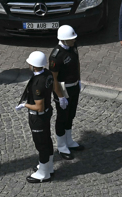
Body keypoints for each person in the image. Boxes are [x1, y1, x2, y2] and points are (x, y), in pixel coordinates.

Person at [50, 25, 85, 159]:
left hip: (74, 85)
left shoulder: (73, 47)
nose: (74, 40)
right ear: (64, 40)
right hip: (63, 88)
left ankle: (69, 140)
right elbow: (54, 79)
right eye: (71, 39)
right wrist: (60, 96)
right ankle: (61, 145)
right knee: (62, 117)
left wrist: (79, 80)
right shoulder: (56, 56)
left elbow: (77, 64)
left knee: (71, 114)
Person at [20, 50, 54, 183]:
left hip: (38, 117)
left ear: (34, 66)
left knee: (41, 144)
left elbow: (38, 106)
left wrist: (25, 105)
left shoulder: (37, 84)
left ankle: (43, 173)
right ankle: (48, 166)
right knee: (47, 140)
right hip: (46, 112)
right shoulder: (47, 74)